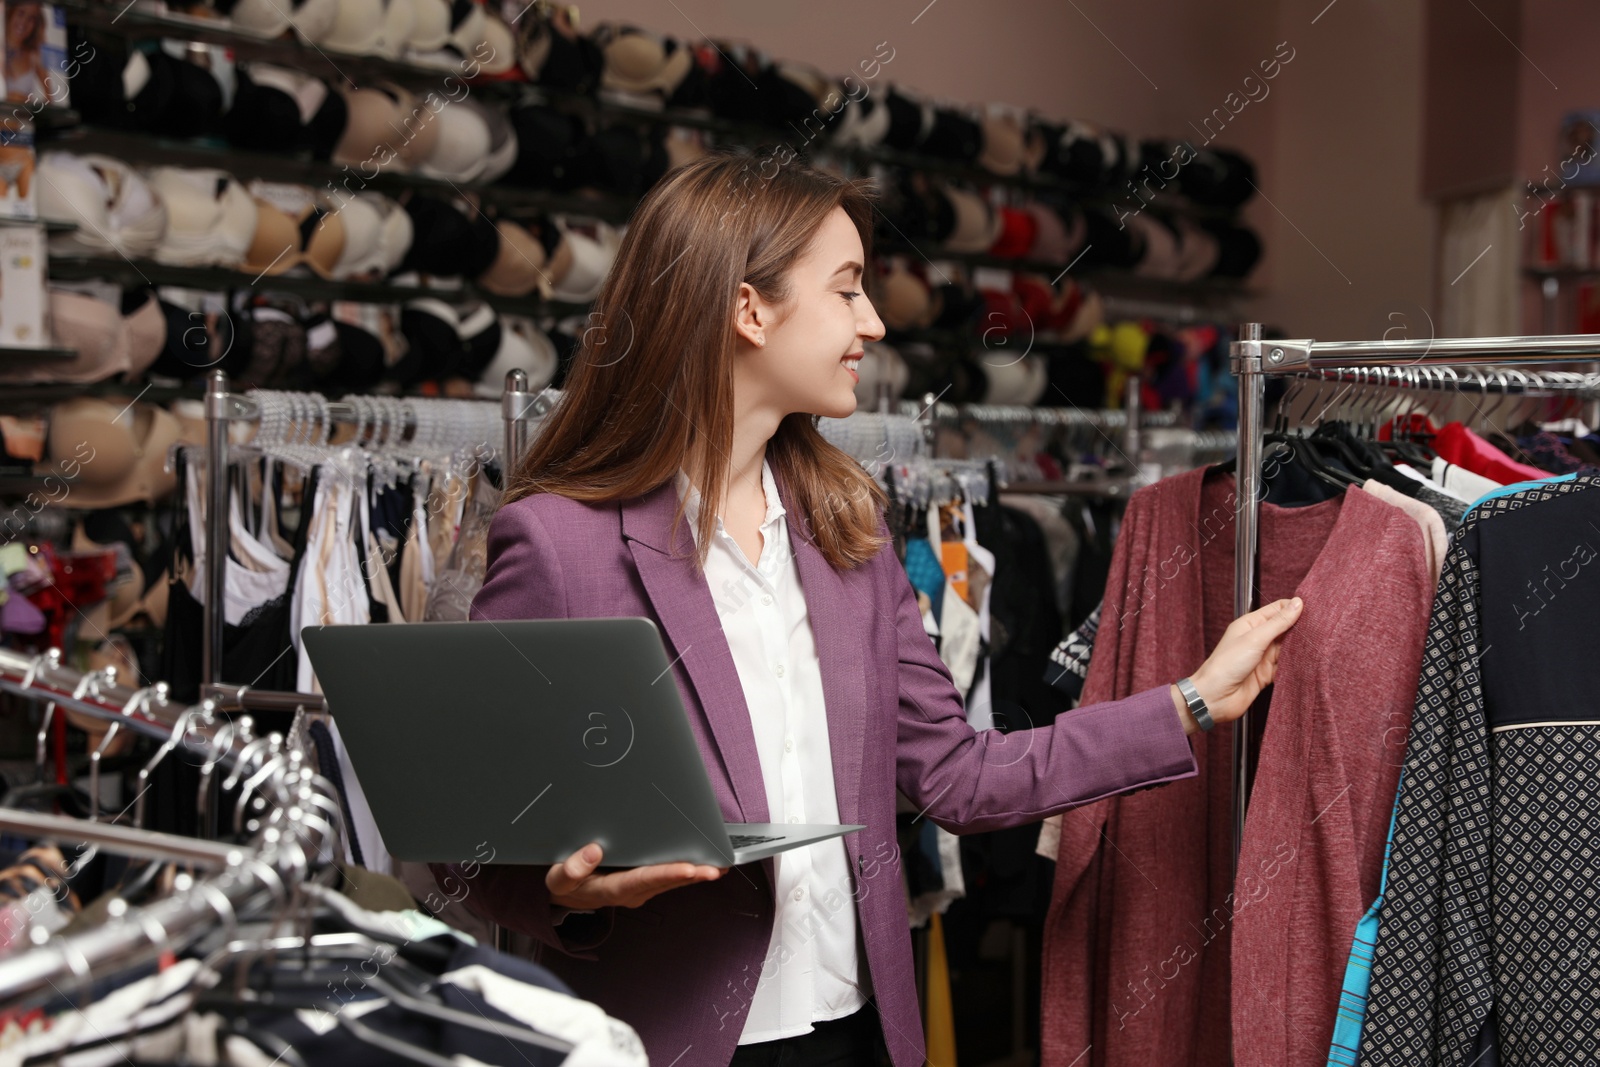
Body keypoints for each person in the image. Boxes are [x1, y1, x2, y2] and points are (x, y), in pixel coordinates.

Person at [432, 150, 1303, 1067]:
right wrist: (568, 897)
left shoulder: (851, 534)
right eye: (848, 291)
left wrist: (1189, 701)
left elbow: (961, 777)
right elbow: (462, 840)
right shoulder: (561, 544)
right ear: (748, 308)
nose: (875, 323)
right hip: (676, 1042)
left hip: (860, 1036)